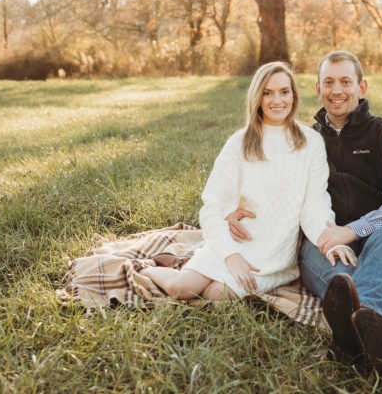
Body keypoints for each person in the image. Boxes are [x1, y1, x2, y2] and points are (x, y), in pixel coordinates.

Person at [228, 51, 382, 370]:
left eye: (345, 82)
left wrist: (351, 231)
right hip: (327, 244)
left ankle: (363, 332)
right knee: (340, 283)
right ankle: (378, 342)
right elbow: (273, 189)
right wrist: (235, 207)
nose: (337, 91)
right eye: (329, 83)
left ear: (362, 87)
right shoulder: (302, 142)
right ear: (318, 90)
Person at [142, 61, 355, 301]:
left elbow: (314, 205)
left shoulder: (310, 142)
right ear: (257, 98)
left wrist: (330, 241)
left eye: (284, 92)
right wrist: (230, 255)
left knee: (216, 295)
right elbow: (212, 206)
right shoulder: (240, 142)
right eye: (268, 93)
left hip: (273, 254)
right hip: (235, 242)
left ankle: (185, 264)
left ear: (293, 96)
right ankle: (147, 267)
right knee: (181, 289)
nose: (277, 101)